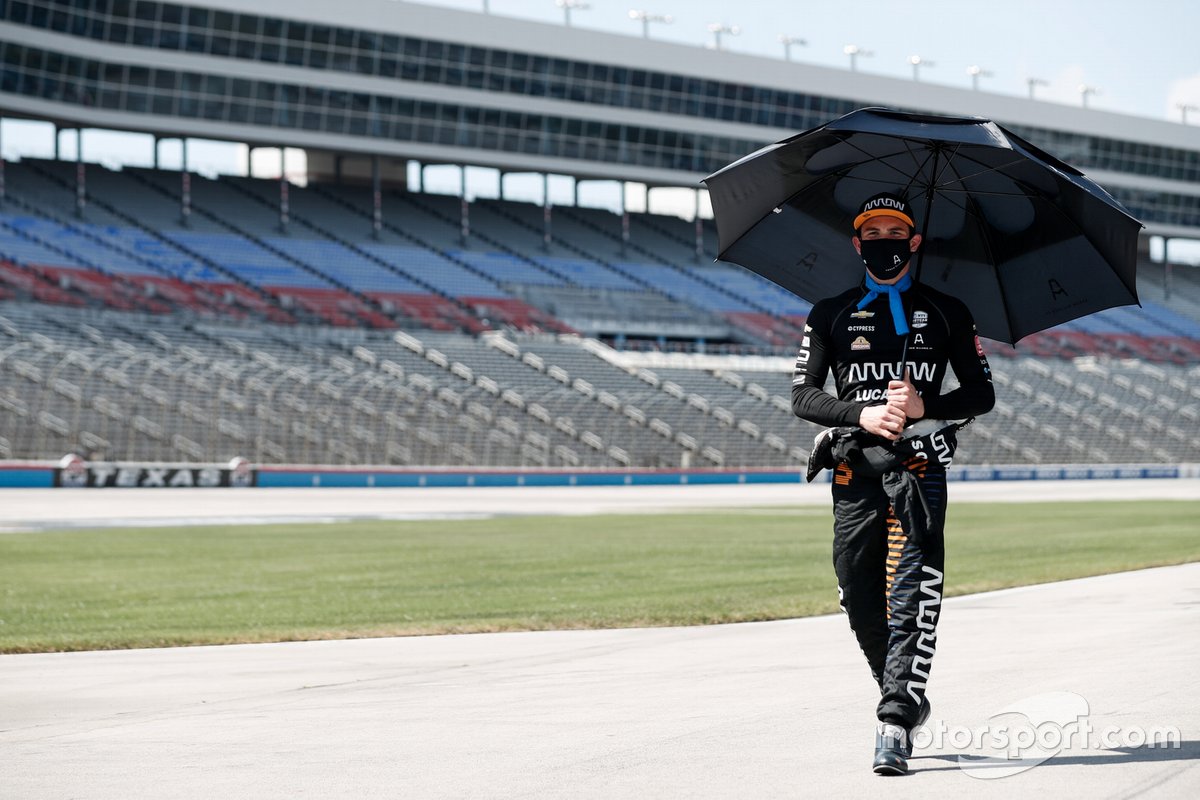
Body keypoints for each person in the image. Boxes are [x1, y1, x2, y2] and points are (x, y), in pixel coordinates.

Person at [791, 192, 995, 776]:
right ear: (858, 244)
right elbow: (802, 395)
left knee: (912, 592)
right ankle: (903, 692)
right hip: (854, 469)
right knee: (857, 594)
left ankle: (895, 720)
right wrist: (860, 415)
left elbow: (980, 393)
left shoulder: (949, 310)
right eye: (872, 232)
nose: (884, 240)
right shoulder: (827, 311)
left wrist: (926, 402)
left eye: (894, 231)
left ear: (914, 242)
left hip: (921, 469)